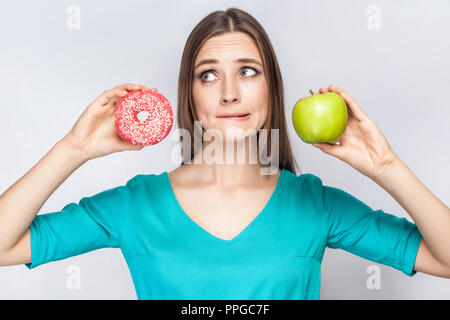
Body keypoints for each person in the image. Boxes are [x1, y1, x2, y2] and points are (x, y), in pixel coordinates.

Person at [0, 7, 449, 300]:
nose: (230, 94)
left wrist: (387, 167)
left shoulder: (315, 204)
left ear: (271, 88)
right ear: (190, 94)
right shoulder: (135, 205)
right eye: (209, 75)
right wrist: (72, 149)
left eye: (248, 72)